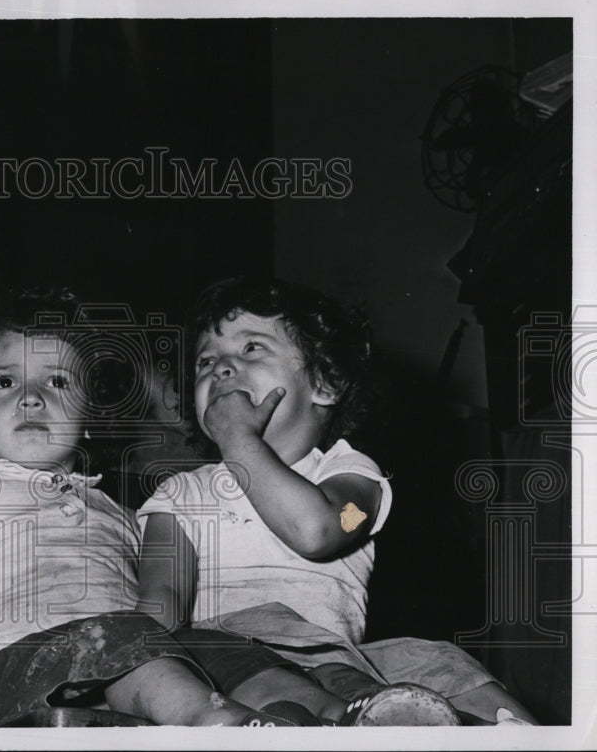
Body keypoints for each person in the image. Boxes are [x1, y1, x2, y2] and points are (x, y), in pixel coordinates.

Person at [0, 289, 382, 728]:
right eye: (4, 381)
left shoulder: (353, 484)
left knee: (204, 650)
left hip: (137, 667)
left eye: (58, 382)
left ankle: (343, 721)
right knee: (155, 639)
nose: (29, 397)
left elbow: (329, 526)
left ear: (91, 416)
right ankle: (221, 725)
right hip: (21, 676)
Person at [136, 276, 538, 726]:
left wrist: (239, 441)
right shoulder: (179, 495)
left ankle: (510, 732)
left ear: (325, 382)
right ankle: (358, 715)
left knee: (449, 668)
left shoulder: (352, 481)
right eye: (206, 360)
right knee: (238, 662)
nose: (221, 368)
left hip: (341, 658)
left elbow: (319, 529)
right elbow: (160, 604)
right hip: (229, 657)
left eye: (252, 348)